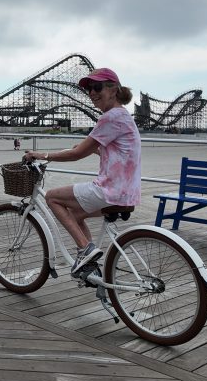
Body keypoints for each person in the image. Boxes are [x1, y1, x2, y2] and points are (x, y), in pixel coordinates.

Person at [23, 67, 141, 275]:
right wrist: (95, 149)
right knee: (76, 214)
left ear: (113, 89)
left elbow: (77, 154)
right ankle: (89, 263)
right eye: (89, 90)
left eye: (97, 87)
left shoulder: (110, 117)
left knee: (52, 197)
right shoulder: (123, 116)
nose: (92, 93)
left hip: (110, 190)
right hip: (128, 193)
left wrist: (43, 156)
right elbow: (117, 153)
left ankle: (86, 249)